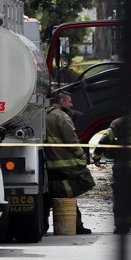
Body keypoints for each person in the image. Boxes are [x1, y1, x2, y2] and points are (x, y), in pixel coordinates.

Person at [92, 94, 131, 234]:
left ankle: (122, 225)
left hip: (123, 167)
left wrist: (96, 155)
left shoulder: (118, 123)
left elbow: (104, 139)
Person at [45, 91, 95, 234]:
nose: (71, 104)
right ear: (62, 102)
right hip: (65, 163)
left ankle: (76, 225)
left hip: (51, 163)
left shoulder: (46, 115)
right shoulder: (61, 116)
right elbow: (71, 140)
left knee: (68, 193)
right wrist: (82, 155)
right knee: (86, 180)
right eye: (69, 101)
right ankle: (56, 194)